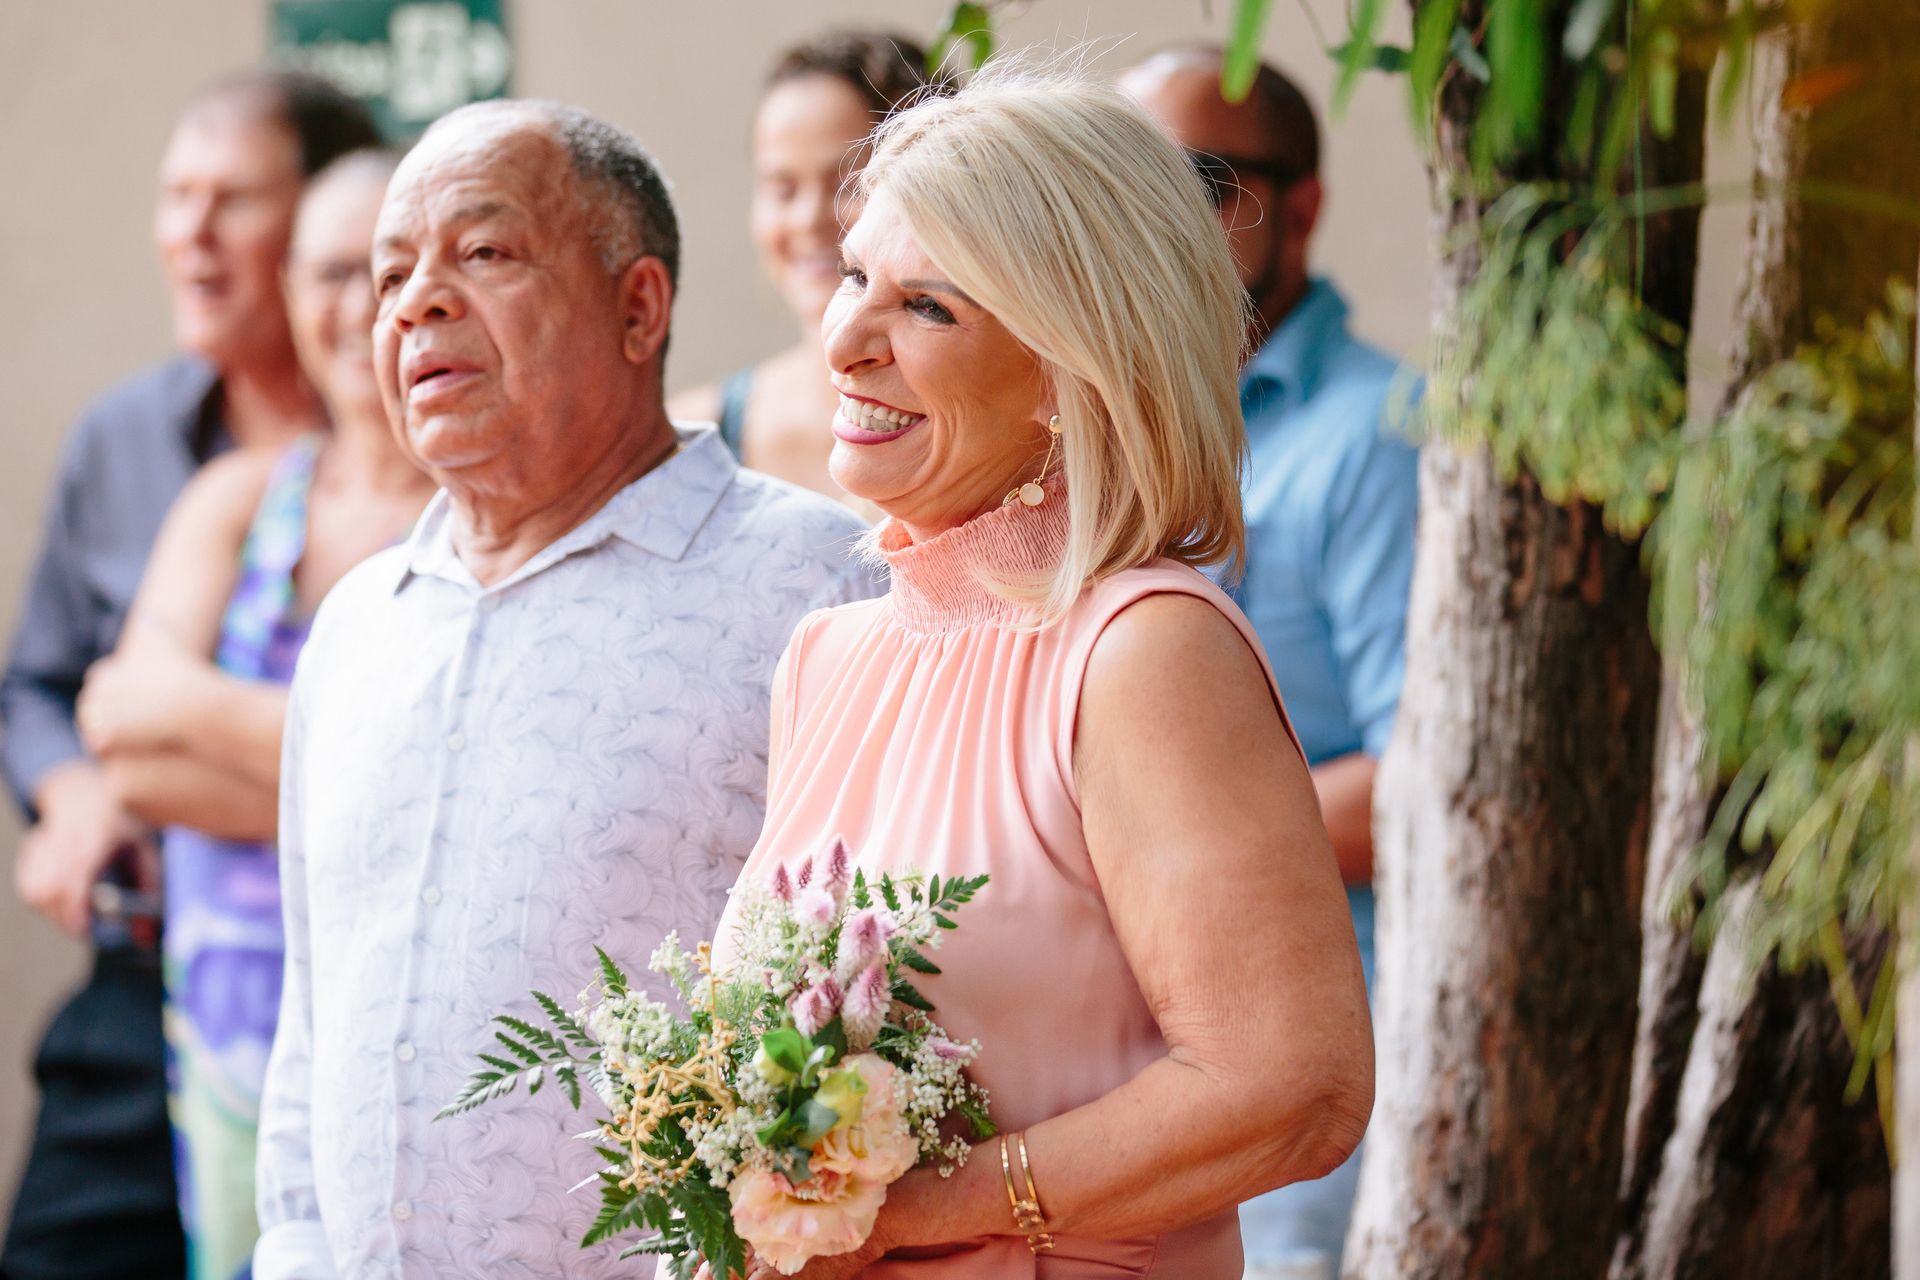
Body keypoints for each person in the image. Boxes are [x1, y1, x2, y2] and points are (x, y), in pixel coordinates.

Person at [708, 62, 1373, 1280]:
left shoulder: (1146, 651)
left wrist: (907, 1213)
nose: (845, 338)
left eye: (928, 306)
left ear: (1073, 367)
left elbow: (1293, 1087)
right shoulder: (828, 656)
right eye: (858, 276)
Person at [251, 99, 879, 1279]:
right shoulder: (355, 626)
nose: (418, 303)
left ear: (639, 307)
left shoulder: (818, 585)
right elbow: (311, 1034)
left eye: (483, 253)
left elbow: (900, 1008)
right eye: (393, 277)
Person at [1, 71, 380, 1280]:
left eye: (230, 201)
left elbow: (448, 773)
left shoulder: (441, 476)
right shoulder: (136, 445)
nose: (188, 235)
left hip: (363, 979)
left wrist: (184, 757)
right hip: (152, 961)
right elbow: (63, 691)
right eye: (176, 198)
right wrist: (78, 792)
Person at [72, 148, 434, 1280]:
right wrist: (379, 764)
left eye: (385, 272)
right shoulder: (237, 496)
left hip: (416, 1040)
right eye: (325, 273)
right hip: (228, 1046)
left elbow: (458, 779)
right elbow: (130, 751)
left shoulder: (481, 517)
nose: (354, 307)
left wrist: (199, 718)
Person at [1120, 47, 1420, 1279]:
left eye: (1197, 180)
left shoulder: (1380, 437)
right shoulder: (1115, 423)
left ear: (1301, 205)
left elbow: (1430, 796)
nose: (1148, 216)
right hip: (1125, 1071)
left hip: (1304, 1060)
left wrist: (1153, 816)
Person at [671, 31, 944, 506]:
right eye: (782, 187)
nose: (808, 219)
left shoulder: (985, 428)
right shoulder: (696, 440)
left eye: (849, 180)